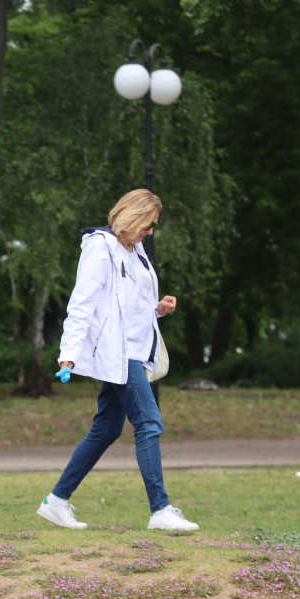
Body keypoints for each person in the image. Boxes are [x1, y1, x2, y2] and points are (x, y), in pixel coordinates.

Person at [36, 189, 198, 532]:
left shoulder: (135, 250)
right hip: (120, 354)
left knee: (106, 429)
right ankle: (160, 510)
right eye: (149, 224)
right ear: (134, 216)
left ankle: (56, 502)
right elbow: (82, 303)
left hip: (135, 352)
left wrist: (159, 310)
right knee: (150, 423)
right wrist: (68, 354)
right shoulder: (100, 246)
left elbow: (128, 306)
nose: (151, 231)